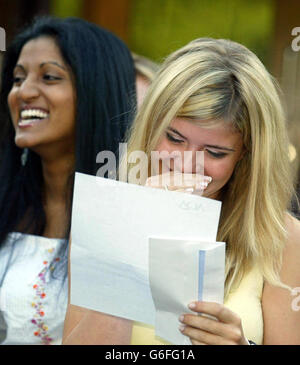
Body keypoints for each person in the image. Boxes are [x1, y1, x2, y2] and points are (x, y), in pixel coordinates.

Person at [63, 38, 300, 345]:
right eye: (174, 138)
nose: (187, 163)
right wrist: (131, 234)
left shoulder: (283, 238)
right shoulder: (104, 218)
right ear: (151, 127)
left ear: (246, 154)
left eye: (214, 152)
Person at [0, 15, 136, 345]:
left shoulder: (129, 216)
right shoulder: (6, 201)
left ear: (96, 91)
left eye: (49, 77)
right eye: (18, 79)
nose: (24, 92)